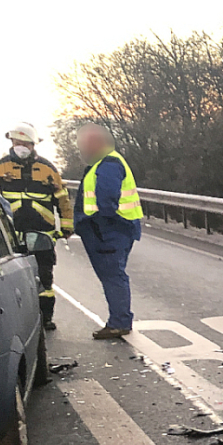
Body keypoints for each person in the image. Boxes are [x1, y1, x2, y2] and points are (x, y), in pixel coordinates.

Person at [0, 123, 73, 330]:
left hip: (42, 235)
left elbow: (62, 200)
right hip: (10, 238)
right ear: (11, 143)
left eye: (25, 143)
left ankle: (46, 318)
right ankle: (17, 320)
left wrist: (67, 227)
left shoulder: (47, 170)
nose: (21, 146)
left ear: (33, 145)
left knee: (44, 280)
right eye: (17, 142)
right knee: (11, 280)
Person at [74, 123, 143, 339]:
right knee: (113, 276)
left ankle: (119, 322)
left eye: (84, 144)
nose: (81, 149)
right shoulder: (105, 163)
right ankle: (119, 320)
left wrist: (97, 225)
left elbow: (106, 200)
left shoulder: (109, 164)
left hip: (109, 232)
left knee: (113, 276)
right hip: (112, 230)